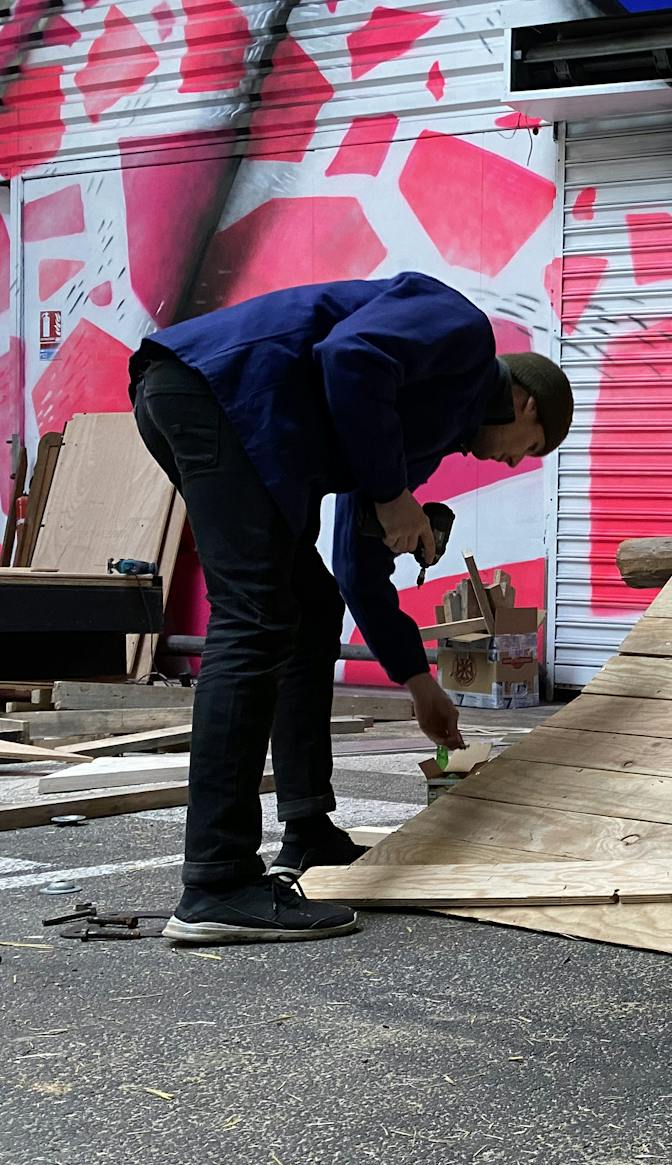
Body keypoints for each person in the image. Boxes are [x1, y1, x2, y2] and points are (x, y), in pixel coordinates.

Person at [128, 272, 573, 945]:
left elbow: (359, 573)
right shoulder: (461, 334)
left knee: (310, 605)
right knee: (254, 620)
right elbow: (349, 357)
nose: (513, 463)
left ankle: (307, 831)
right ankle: (217, 884)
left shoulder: (418, 439)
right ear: (526, 406)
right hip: (217, 392)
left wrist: (420, 683)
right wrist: (393, 495)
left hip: (218, 409)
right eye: (529, 451)